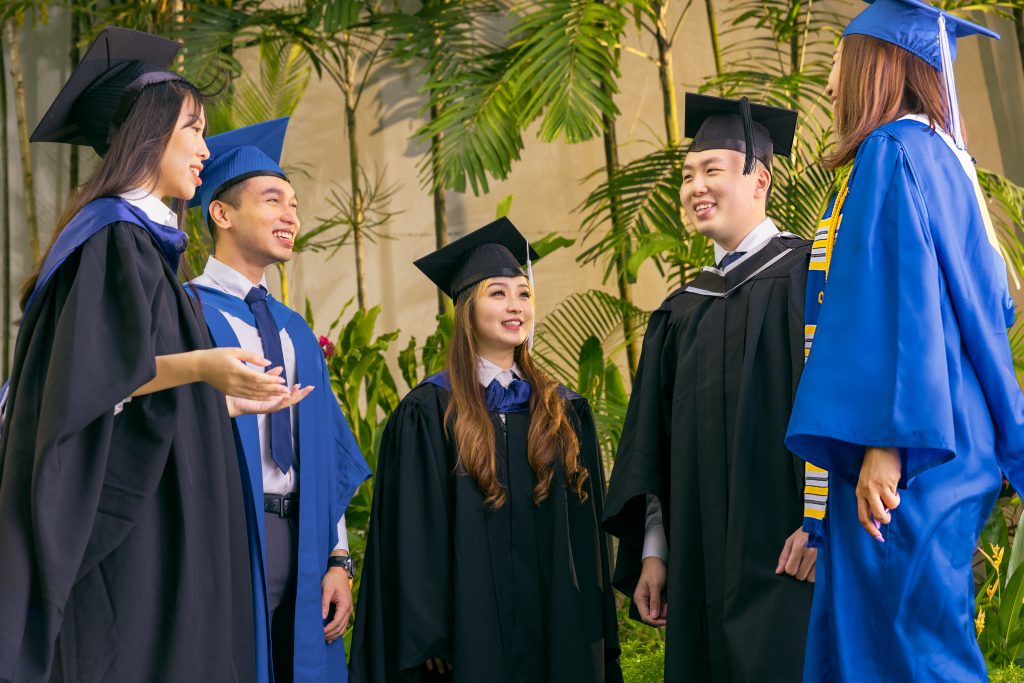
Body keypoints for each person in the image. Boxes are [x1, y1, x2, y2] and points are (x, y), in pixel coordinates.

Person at [0, 27, 306, 683]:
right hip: (138, 524)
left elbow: (137, 382)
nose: (204, 149)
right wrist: (205, 366)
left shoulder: (148, 246)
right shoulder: (113, 237)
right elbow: (91, 377)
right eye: (193, 129)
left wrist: (223, 401)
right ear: (149, 131)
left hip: (172, 505)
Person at [784, 1, 1024, 680]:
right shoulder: (946, 158)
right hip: (949, 442)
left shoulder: (891, 151)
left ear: (876, 65)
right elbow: (994, 304)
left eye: (837, 62)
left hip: (908, 450)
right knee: (900, 643)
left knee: (907, 655)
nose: (830, 83)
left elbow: (900, 303)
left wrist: (888, 443)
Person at [349, 218, 622, 683]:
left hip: (553, 628)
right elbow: (413, 532)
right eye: (498, 293)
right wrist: (429, 633)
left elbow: (585, 534)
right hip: (464, 641)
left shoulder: (562, 410)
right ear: (467, 310)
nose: (515, 306)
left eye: (523, 294)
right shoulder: (428, 412)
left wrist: (585, 615)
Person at [602, 93, 815, 681]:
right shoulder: (682, 311)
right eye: (687, 175)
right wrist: (655, 552)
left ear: (760, 179)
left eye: (711, 170)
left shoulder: (810, 279)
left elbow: (844, 411)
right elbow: (655, 446)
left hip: (790, 553)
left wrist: (823, 524)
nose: (695, 186)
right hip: (698, 563)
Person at [189, 118, 372, 683]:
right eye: (273, 200)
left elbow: (323, 452)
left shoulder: (295, 331)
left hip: (303, 539)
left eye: (294, 204)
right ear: (222, 213)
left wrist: (337, 559)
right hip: (221, 537)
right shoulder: (182, 313)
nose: (291, 216)